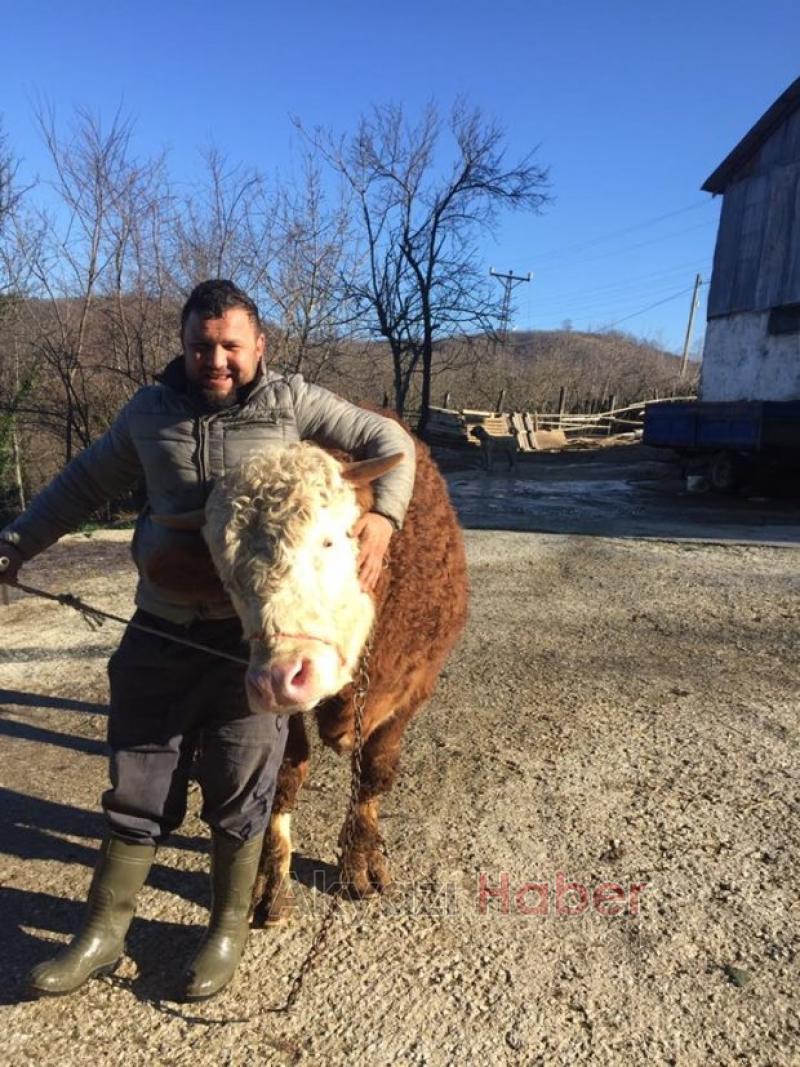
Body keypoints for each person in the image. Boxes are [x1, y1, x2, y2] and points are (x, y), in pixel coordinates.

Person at [0, 279, 415, 1001]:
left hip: (249, 639)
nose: (215, 359)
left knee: (239, 789)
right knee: (135, 782)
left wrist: (385, 519)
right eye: (201, 345)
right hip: (159, 625)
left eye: (230, 345)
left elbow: (389, 444)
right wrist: (14, 543)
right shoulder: (148, 413)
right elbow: (80, 483)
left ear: (258, 346)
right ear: (185, 347)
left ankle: (224, 932)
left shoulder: (292, 403)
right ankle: (102, 932)